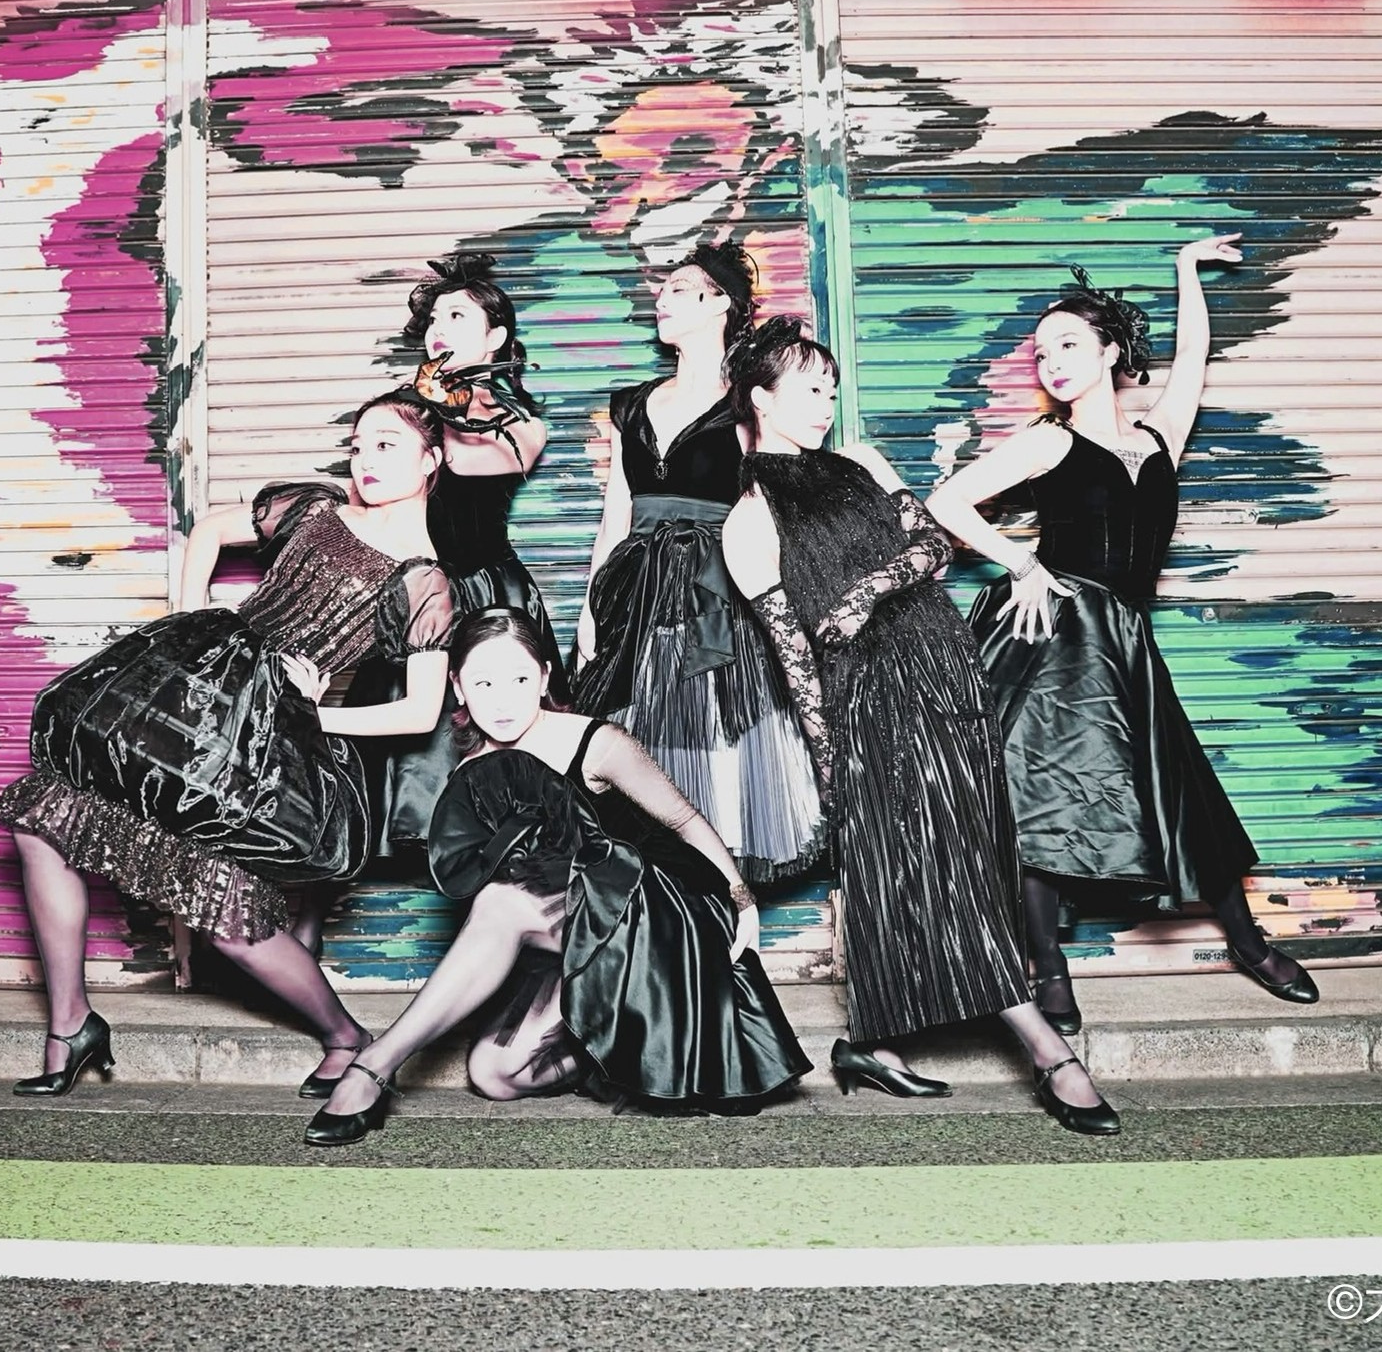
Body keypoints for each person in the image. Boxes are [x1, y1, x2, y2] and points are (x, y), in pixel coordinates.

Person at [0, 392, 455, 1098]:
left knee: (226, 918)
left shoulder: (424, 580)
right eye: (358, 444)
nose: (365, 459)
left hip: (259, 740)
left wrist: (314, 717)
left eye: (387, 443)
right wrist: (190, 618)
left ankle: (346, 1036)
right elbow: (207, 529)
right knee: (41, 824)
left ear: (431, 459)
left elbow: (418, 714)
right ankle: (70, 1023)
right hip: (192, 692)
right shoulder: (317, 507)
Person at [722, 318, 1118, 1134]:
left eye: (832, 389)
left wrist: (863, 596)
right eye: (809, 388)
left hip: (945, 664)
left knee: (962, 853)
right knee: (927, 863)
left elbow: (933, 544)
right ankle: (1049, 1051)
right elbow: (795, 657)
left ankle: (872, 1040)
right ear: (761, 397)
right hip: (867, 700)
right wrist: (830, 766)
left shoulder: (862, 460)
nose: (826, 403)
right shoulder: (748, 519)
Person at [925, 236, 1318, 1035]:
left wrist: (1185, 271)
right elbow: (946, 502)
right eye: (1041, 353)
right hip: (1056, 638)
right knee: (1039, 795)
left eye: (1069, 344)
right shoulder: (1049, 441)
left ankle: (1248, 943)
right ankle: (1047, 968)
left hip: (1126, 639)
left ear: (1110, 352)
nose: (1051, 362)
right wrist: (1022, 563)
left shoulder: (1159, 436)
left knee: (1182, 790)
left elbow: (1193, 360)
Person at [305, 607, 810, 1146]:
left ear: (545, 678)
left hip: (658, 914)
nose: (502, 701)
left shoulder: (597, 742)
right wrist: (312, 713)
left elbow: (685, 820)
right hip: (577, 930)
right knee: (494, 1074)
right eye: (484, 683)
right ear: (457, 687)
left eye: (520, 680)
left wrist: (742, 899)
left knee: (503, 902)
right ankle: (619, 1046)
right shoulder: (471, 770)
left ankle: (374, 1066)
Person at [569, 239, 824, 882]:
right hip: (636, 593)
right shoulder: (630, 405)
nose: (663, 299)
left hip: (718, 593)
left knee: (714, 746)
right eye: (663, 290)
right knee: (642, 743)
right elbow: (616, 516)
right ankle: (674, 897)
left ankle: (723, 904)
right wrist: (589, 613)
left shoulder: (750, 403)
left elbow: (774, 502)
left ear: (721, 304)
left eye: (680, 289)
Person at [348, 253, 565, 857]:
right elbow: (361, 500)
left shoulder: (522, 422)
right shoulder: (401, 413)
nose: (438, 328)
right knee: (397, 766)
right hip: (414, 595)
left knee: (501, 757)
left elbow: (475, 458)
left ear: (496, 338)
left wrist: (445, 404)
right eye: (434, 318)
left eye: (458, 316)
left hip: (487, 596)